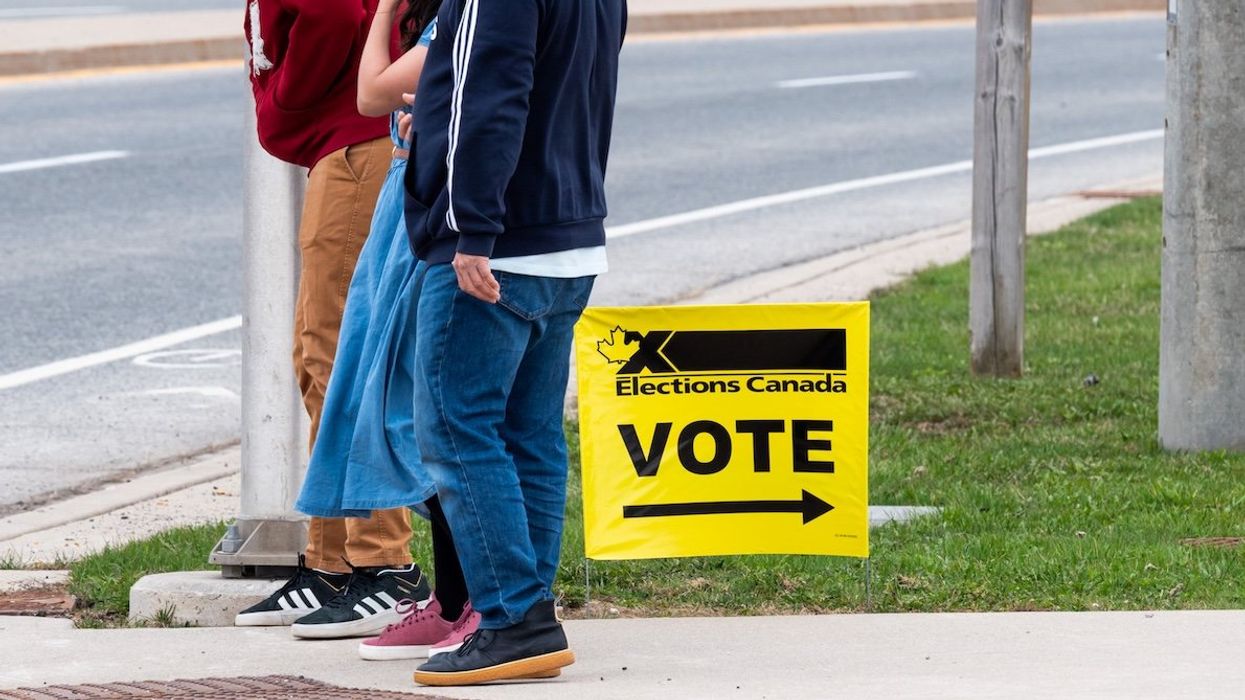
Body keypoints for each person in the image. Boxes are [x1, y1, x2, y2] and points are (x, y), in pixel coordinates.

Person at [402, 0, 628, 686]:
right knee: (529, 433)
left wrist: (472, 224)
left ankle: (512, 617)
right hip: (569, 235)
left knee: (455, 426)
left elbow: (489, 89)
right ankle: (530, 613)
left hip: (496, 244)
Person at [234, 0, 425, 638]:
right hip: (345, 147)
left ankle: (385, 566)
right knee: (320, 361)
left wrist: (293, 101)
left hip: (354, 148)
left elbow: (334, 16)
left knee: (347, 359)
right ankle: (332, 562)